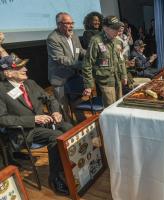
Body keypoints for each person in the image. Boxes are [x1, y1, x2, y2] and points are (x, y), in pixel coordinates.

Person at [0, 54, 73, 195]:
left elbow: (51, 99)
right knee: (56, 136)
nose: (25, 69)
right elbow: (2, 119)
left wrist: (56, 112)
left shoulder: (30, 83)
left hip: (42, 126)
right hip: (24, 132)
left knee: (68, 127)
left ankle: (64, 166)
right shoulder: (1, 90)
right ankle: (55, 178)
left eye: (24, 66)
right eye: (20, 67)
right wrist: (33, 120)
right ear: (8, 73)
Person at [82, 16, 127, 108]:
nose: (118, 31)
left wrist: (124, 75)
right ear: (105, 28)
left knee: (119, 104)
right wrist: (89, 85)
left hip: (117, 79)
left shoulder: (117, 41)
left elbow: (121, 60)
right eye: (114, 28)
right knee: (110, 107)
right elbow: (87, 64)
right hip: (105, 80)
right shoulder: (96, 41)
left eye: (118, 28)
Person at [47, 12, 86, 118]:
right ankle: (69, 130)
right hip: (60, 78)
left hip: (73, 76)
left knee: (77, 103)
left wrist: (91, 55)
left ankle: (81, 125)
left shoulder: (74, 35)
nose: (71, 25)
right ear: (59, 24)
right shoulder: (53, 38)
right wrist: (82, 65)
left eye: (72, 23)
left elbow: (80, 50)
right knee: (64, 108)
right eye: (67, 23)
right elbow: (61, 59)